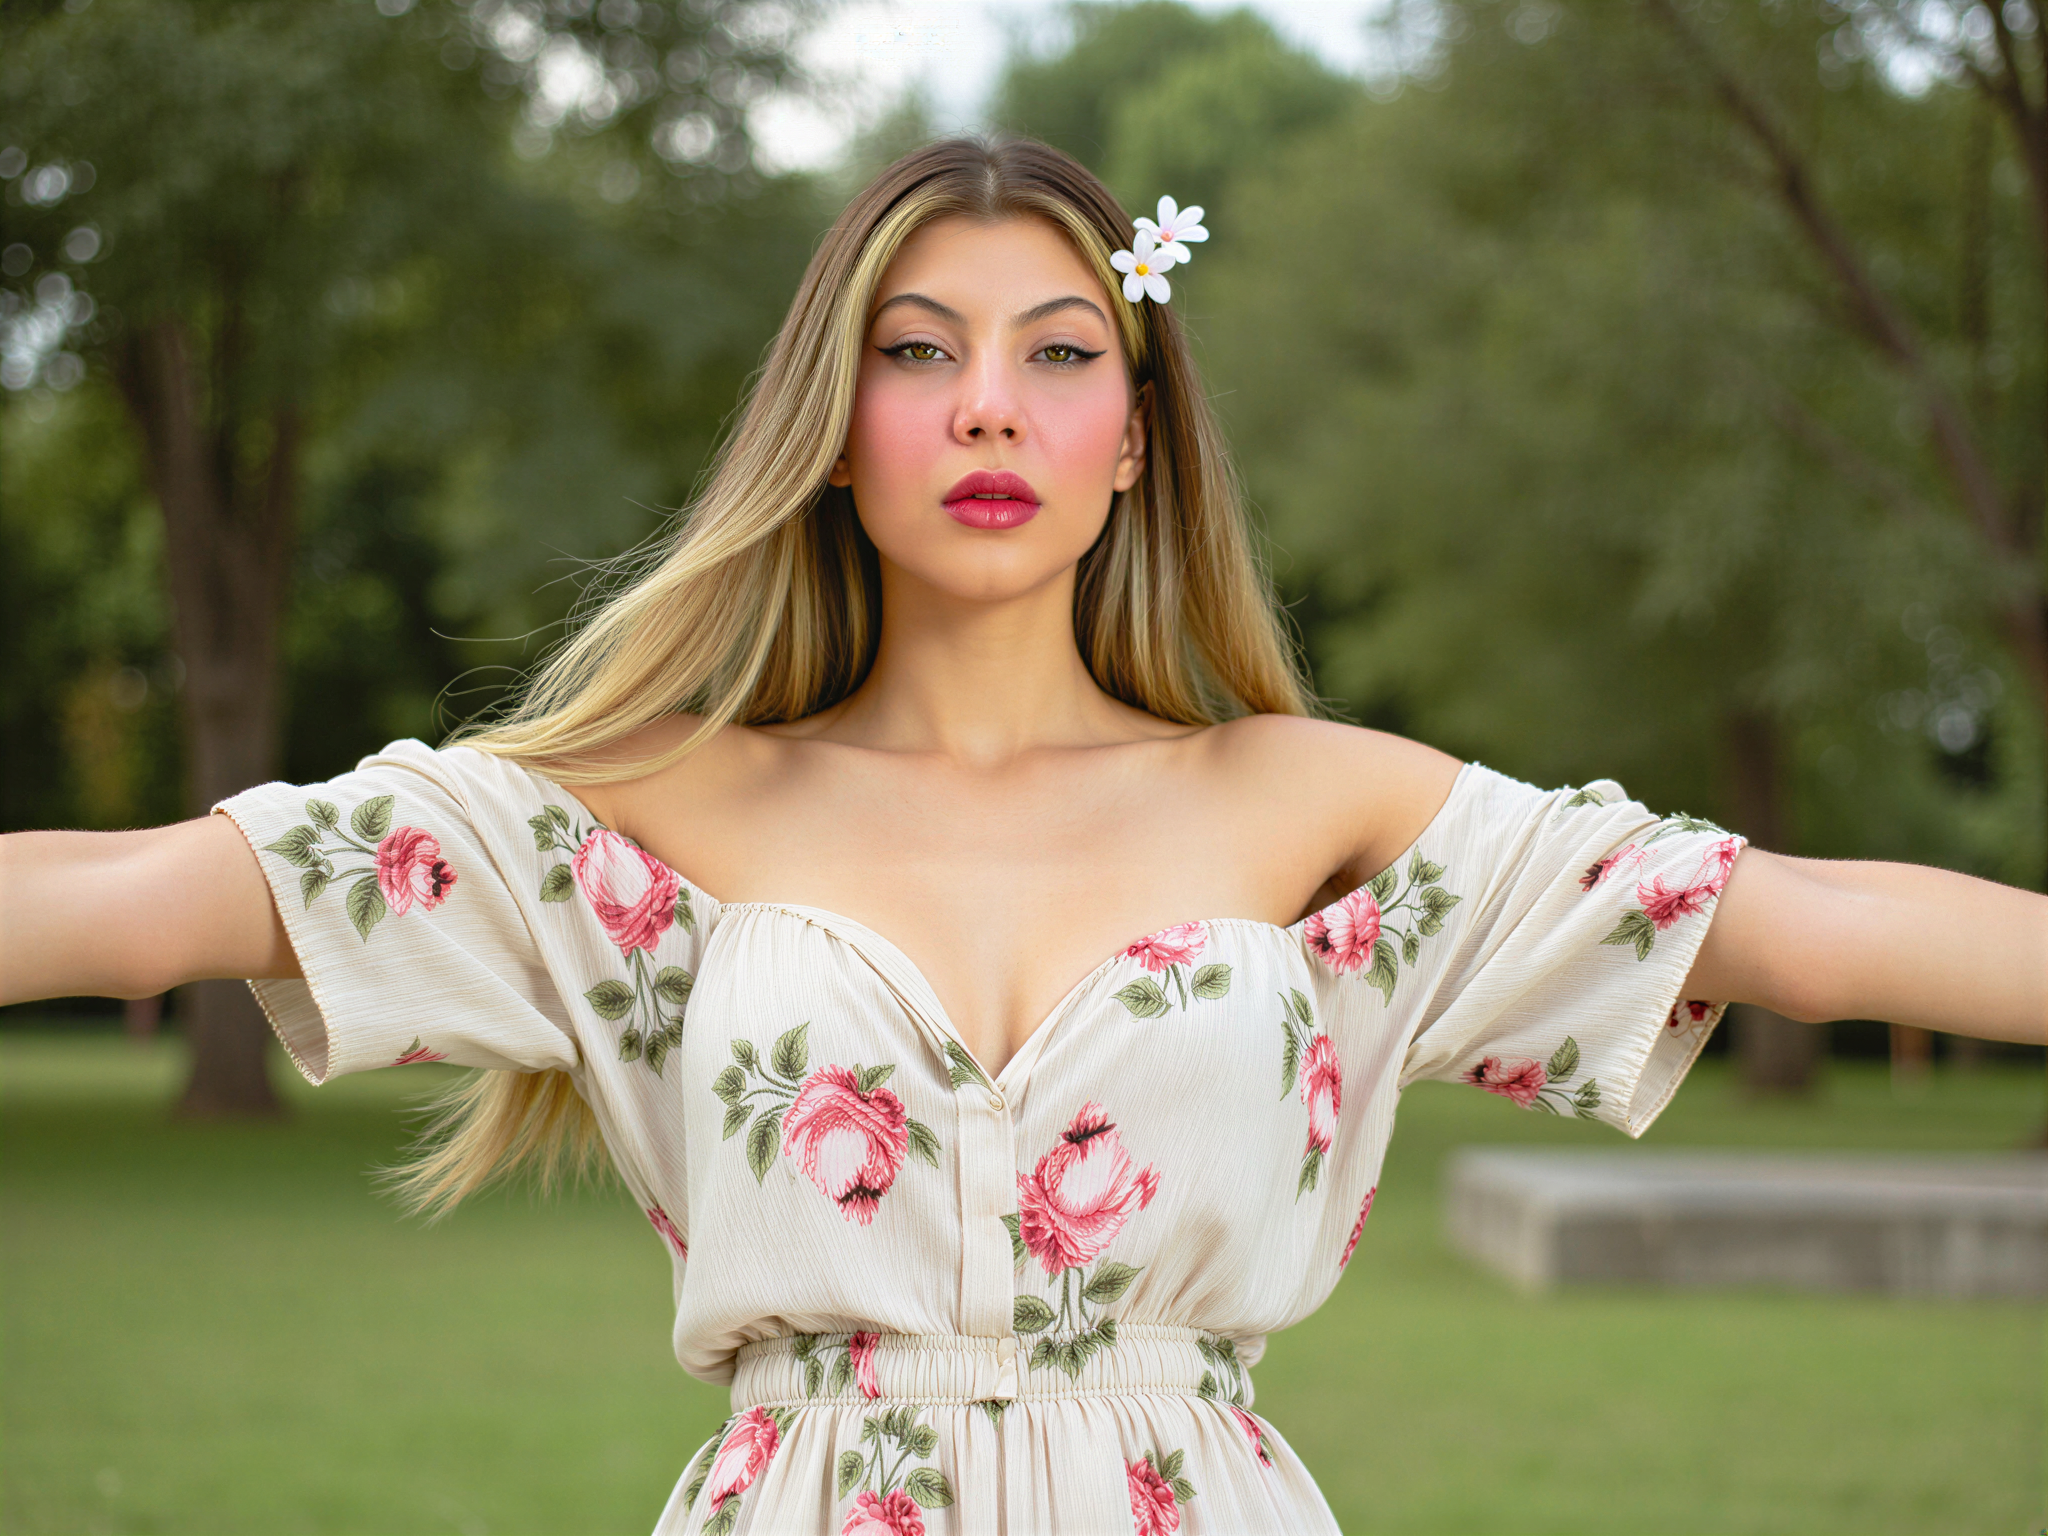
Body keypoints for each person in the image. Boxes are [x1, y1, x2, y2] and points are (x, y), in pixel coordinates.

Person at [2, 136, 2042, 1536]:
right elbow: (119, 897)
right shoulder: (634, 813)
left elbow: (1812, 931)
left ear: (1133, 437)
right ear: (837, 422)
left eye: (1059, 353)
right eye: (918, 352)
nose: (988, 406)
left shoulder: (1307, 805)